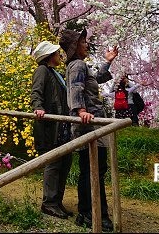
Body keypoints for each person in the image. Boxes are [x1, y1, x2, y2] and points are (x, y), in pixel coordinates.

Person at [60, 28, 118, 232]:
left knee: (91, 169)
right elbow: (75, 88)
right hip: (88, 123)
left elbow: (96, 78)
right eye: (83, 42)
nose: (86, 44)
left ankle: (87, 212)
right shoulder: (77, 65)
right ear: (75, 46)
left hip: (92, 121)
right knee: (93, 169)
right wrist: (81, 110)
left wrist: (108, 61)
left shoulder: (81, 66)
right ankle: (93, 214)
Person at [30, 40, 72, 219]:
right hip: (50, 127)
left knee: (64, 163)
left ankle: (57, 201)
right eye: (56, 53)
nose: (59, 55)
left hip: (61, 127)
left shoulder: (56, 74)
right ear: (49, 56)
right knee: (53, 163)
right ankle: (49, 203)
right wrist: (38, 107)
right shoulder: (42, 70)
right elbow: (36, 91)